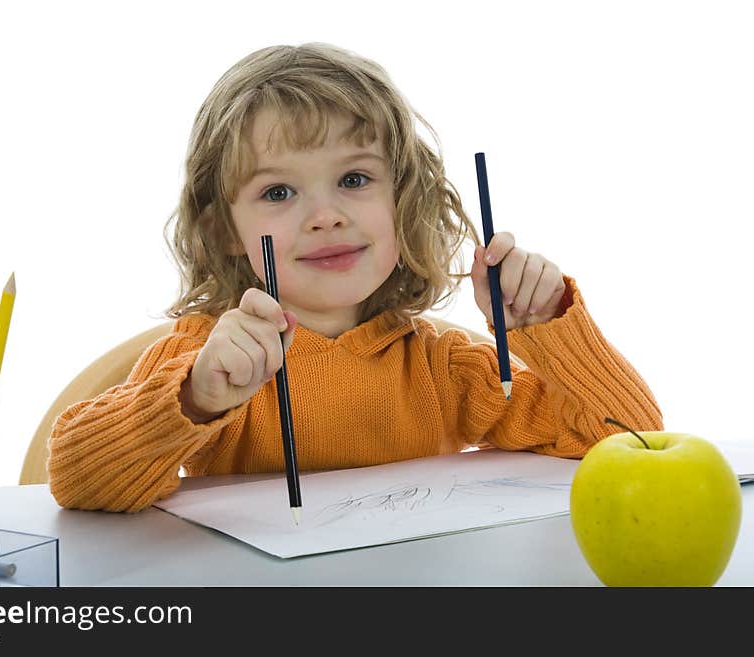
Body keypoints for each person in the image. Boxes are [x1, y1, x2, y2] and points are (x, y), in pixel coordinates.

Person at [47, 43, 662, 512]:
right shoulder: (205, 362)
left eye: (355, 179)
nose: (326, 216)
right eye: (279, 190)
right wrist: (196, 399)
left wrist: (544, 327)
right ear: (222, 230)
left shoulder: (445, 370)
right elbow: (77, 480)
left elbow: (630, 441)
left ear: (404, 198)